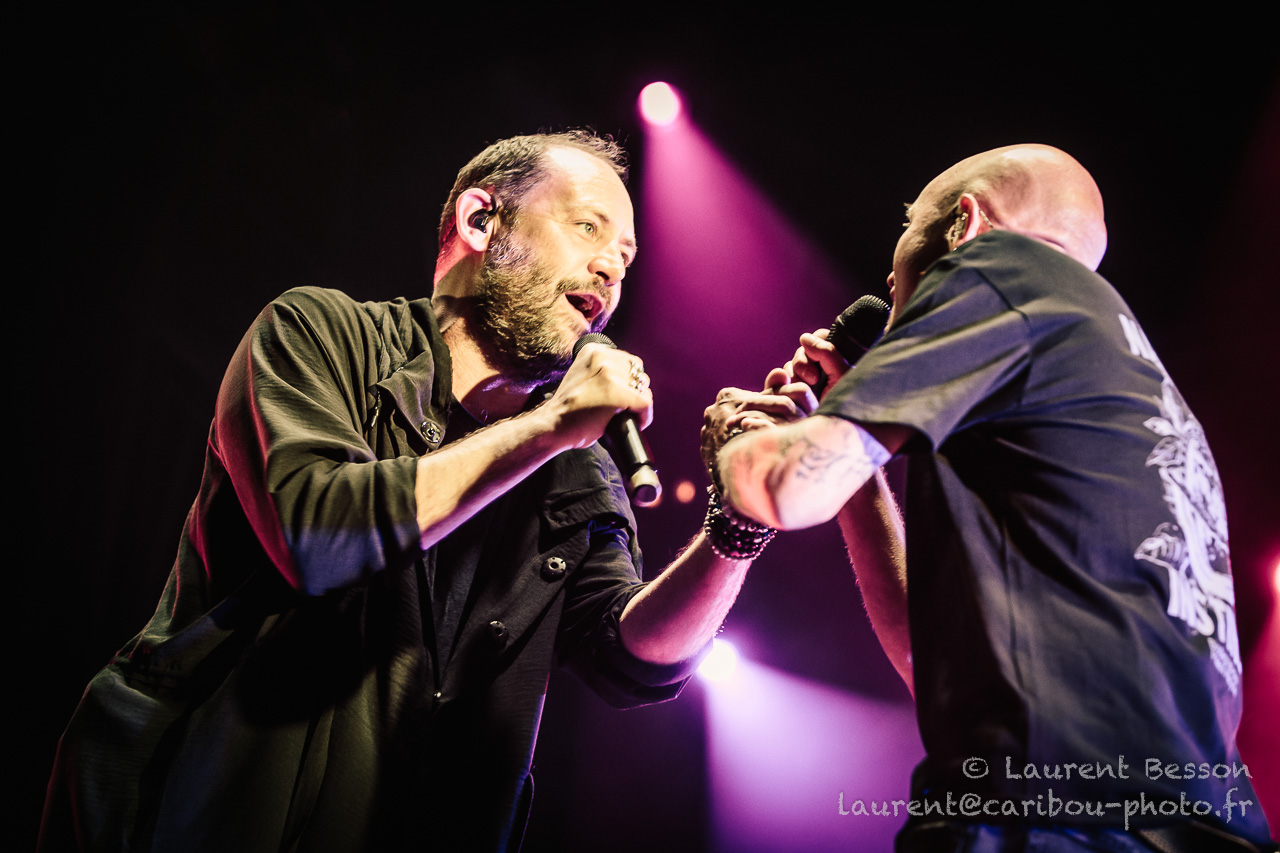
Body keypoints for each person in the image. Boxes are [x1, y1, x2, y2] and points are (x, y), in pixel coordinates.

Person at [40, 131, 778, 853]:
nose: (611, 268)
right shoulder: (320, 334)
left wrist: (738, 524)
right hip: (204, 814)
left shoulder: (579, 468)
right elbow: (315, 533)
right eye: (588, 227)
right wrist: (549, 428)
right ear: (482, 221)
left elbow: (633, 659)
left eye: (626, 256)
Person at [711, 145, 1275, 851]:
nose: (892, 289)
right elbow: (931, 665)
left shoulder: (1000, 265)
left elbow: (789, 487)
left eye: (906, 248)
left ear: (963, 225)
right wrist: (850, 441)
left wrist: (740, 443)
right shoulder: (1121, 378)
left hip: (1048, 820)